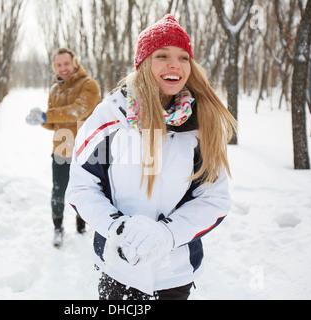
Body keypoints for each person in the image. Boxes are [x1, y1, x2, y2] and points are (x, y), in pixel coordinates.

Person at [66, 14, 237, 300]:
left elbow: (214, 200)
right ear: (143, 63)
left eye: (184, 57)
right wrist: (116, 228)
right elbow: (82, 188)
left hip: (173, 273)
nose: (175, 65)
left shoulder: (201, 125)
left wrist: (166, 235)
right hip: (116, 267)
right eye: (163, 55)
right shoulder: (109, 118)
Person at [26, 48, 101, 248]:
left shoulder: (89, 85)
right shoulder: (55, 90)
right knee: (58, 191)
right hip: (61, 149)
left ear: (75, 63)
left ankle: (82, 226)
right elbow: (54, 123)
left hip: (87, 151)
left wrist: (47, 116)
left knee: (87, 191)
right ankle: (58, 228)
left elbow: (78, 111)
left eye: (66, 64)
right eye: (58, 65)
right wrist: (40, 119)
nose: (63, 68)